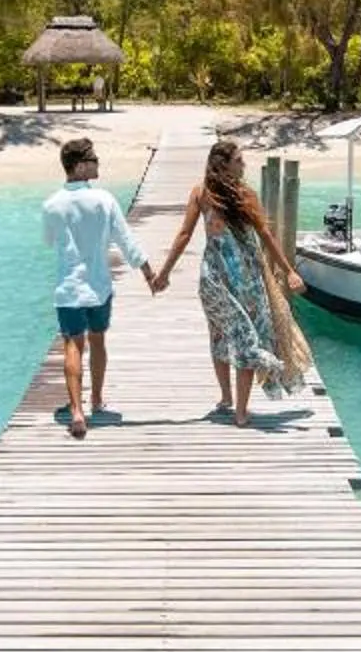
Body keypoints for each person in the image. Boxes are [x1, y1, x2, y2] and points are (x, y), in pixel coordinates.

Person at [149, 138, 313, 428]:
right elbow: (184, 234)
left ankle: (238, 408)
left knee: (239, 337)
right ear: (222, 164)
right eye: (238, 160)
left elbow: (266, 236)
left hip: (243, 280)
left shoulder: (245, 195)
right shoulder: (202, 194)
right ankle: (229, 399)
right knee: (221, 336)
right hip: (219, 280)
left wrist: (289, 271)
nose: (244, 164)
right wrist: (164, 273)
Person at [40, 136, 151, 440]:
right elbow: (126, 241)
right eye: (93, 160)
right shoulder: (104, 200)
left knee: (72, 345)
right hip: (99, 287)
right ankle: (98, 399)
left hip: (68, 289)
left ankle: (76, 411)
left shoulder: (52, 204)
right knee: (97, 341)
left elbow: (49, 241)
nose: (97, 163)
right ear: (78, 167)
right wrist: (149, 273)